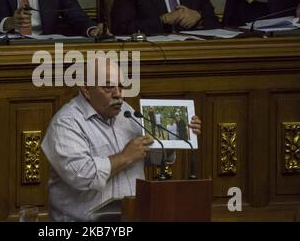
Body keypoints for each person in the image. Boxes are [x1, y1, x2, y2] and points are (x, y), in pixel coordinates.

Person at [41, 57, 202, 221]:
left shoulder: (127, 112)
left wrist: (174, 137)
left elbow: (148, 155)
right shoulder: (66, 123)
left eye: (121, 86)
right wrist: (125, 157)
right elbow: (83, 176)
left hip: (130, 217)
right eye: (108, 86)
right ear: (86, 89)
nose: (118, 94)